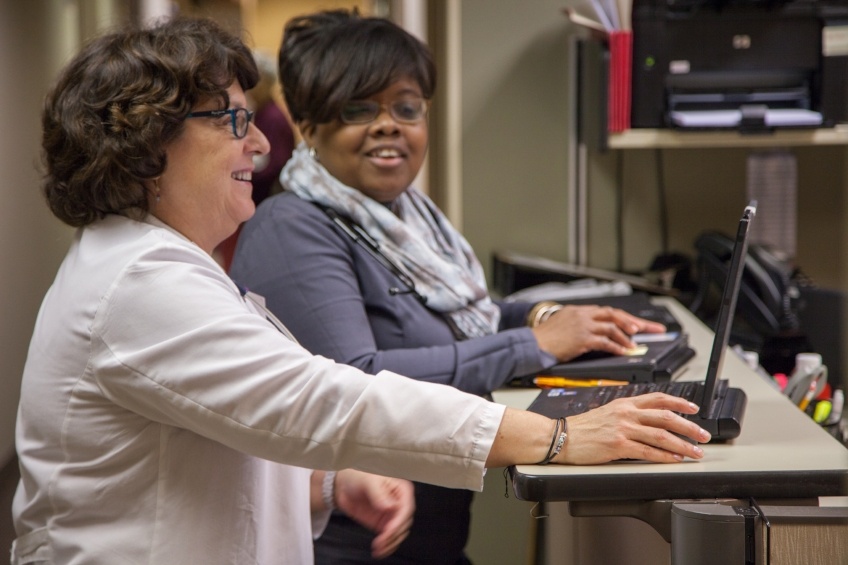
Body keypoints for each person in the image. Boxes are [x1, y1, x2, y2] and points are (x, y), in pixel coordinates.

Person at [11, 15, 709, 565]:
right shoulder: (141, 282)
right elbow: (325, 394)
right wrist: (556, 437)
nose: (257, 145)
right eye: (231, 119)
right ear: (147, 141)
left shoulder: (160, 264)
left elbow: (235, 421)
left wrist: (327, 482)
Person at [229, 10, 702, 565]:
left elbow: (451, 315)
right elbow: (358, 379)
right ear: (308, 125)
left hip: (432, 540)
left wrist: (542, 317)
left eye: (406, 107)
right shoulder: (293, 226)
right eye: (359, 108)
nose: (389, 125)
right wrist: (534, 345)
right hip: (357, 547)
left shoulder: (403, 217)